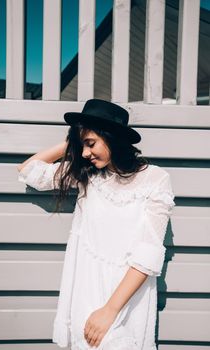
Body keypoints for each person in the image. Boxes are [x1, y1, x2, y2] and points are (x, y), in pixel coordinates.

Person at [17, 99, 175, 350]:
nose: (84, 153)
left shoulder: (156, 180)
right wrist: (74, 140)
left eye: (90, 144)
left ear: (113, 138)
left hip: (126, 299)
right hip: (86, 290)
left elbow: (149, 255)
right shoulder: (87, 176)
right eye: (81, 146)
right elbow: (28, 171)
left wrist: (110, 310)